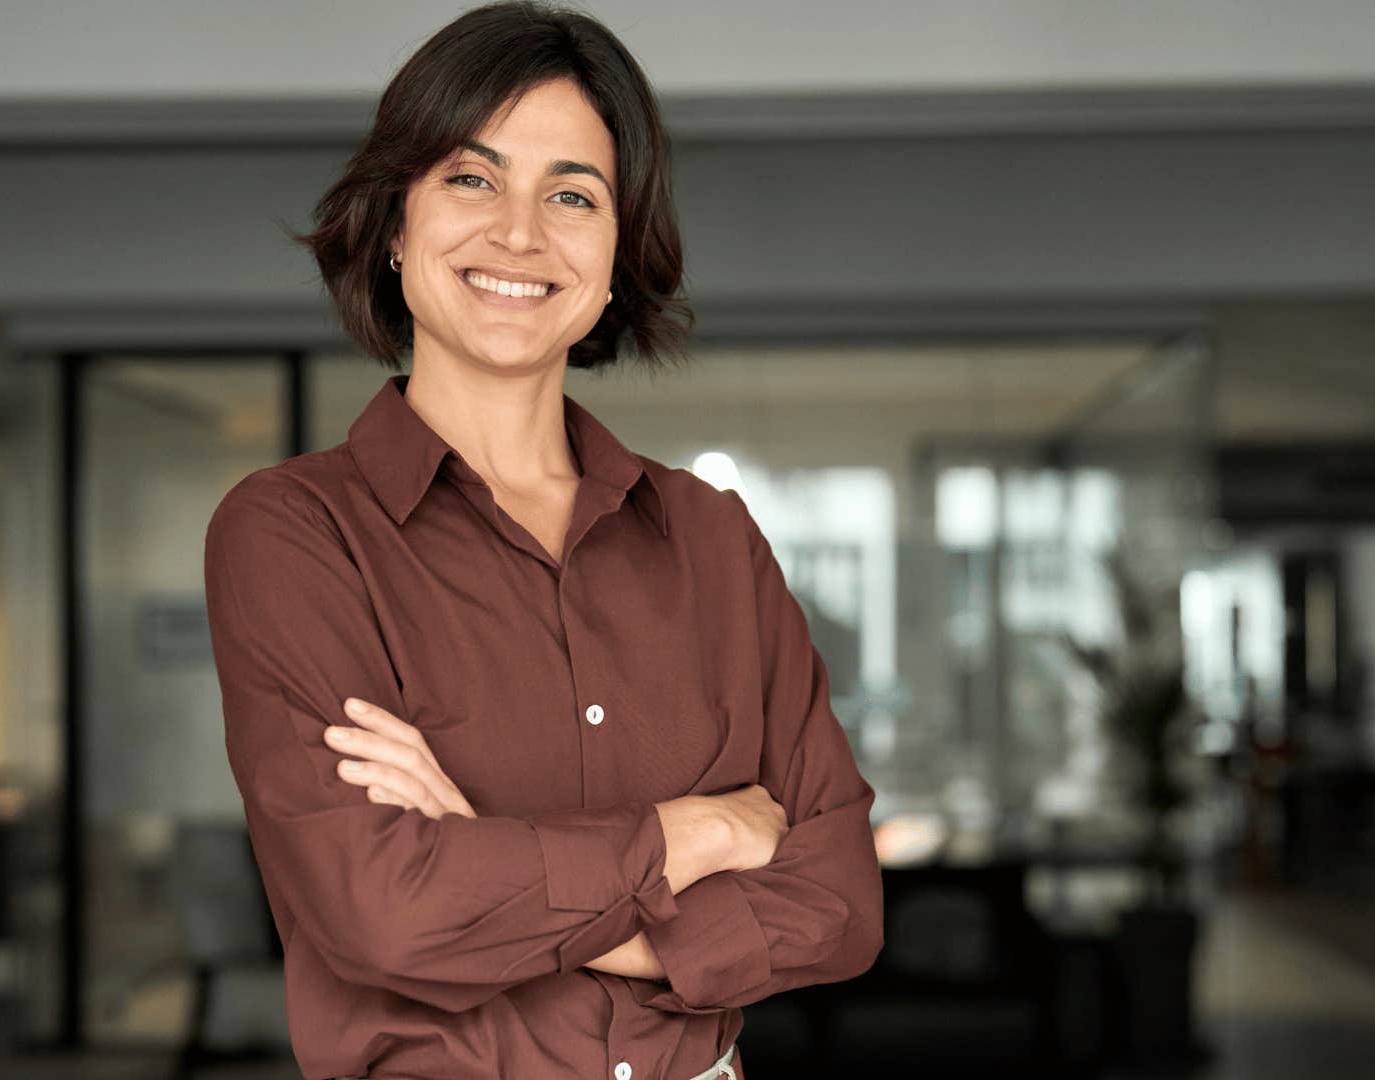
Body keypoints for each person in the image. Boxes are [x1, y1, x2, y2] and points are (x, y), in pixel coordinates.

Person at [201, 4, 885, 1078]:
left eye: (572, 193)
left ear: (616, 256)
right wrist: (687, 839)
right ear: (393, 224)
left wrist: (485, 857)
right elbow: (382, 913)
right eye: (471, 179)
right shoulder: (294, 535)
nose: (520, 233)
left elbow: (841, 899)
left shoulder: (709, 538)